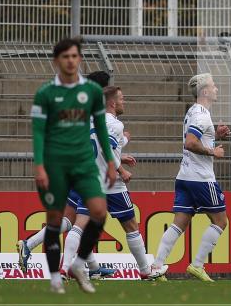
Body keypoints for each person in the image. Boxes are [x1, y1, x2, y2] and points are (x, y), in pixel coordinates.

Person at [31, 39, 116, 294]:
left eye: (75, 56)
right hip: (56, 164)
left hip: (84, 164)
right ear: (57, 61)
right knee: (55, 220)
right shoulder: (45, 93)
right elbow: (38, 132)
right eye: (65, 56)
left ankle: (79, 264)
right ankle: (55, 277)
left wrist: (111, 161)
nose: (70, 60)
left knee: (99, 212)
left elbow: (101, 127)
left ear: (79, 59)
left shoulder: (90, 91)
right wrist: (39, 165)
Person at [58, 86, 166, 280]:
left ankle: (65, 269)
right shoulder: (115, 125)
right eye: (122, 99)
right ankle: (145, 271)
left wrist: (122, 145)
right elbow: (106, 148)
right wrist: (122, 170)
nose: (124, 102)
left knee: (79, 225)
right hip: (112, 183)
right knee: (131, 225)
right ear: (112, 103)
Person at [149, 73, 230, 281]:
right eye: (213, 86)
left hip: (184, 176)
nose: (216, 89)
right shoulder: (202, 115)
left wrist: (214, 135)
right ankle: (197, 265)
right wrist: (214, 151)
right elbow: (191, 143)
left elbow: (197, 137)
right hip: (201, 179)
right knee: (221, 221)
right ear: (204, 91)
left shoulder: (194, 111)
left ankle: (157, 266)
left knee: (179, 223)